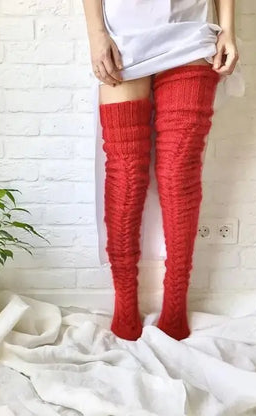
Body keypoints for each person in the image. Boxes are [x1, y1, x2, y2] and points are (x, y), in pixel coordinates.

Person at [82, 0, 241, 341]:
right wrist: (96, 33)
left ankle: (175, 304)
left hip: (191, 33)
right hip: (122, 36)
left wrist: (228, 28)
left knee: (179, 172)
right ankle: (124, 303)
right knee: (124, 171)